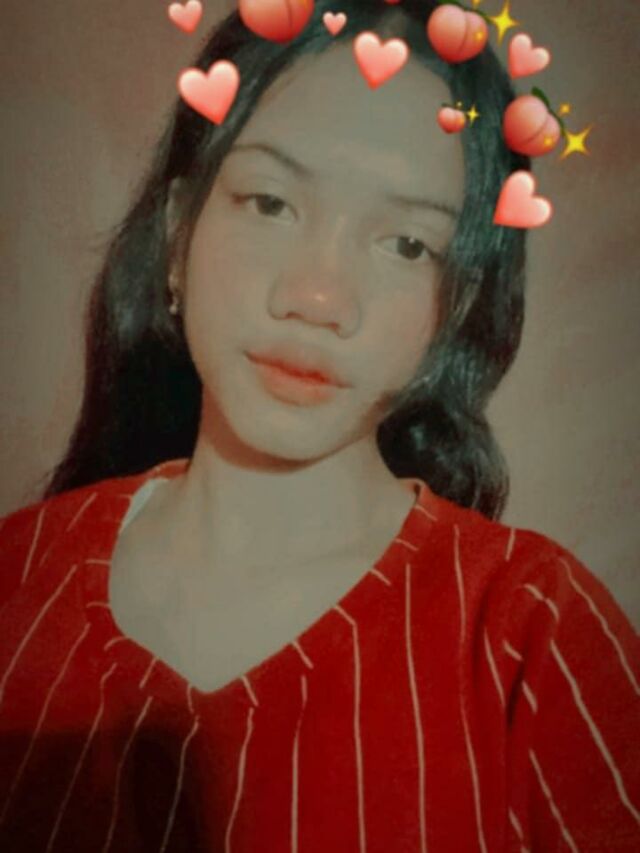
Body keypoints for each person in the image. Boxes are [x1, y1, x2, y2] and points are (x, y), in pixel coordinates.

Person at [1, 0, 638, 850]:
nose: (319, 298)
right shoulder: (17, 574)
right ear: (179, 230)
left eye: (406, 244)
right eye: (270, 202)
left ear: (457, 305)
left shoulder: (533, 630)